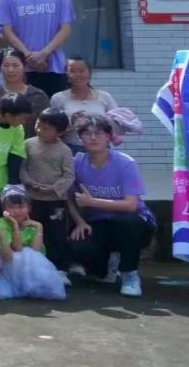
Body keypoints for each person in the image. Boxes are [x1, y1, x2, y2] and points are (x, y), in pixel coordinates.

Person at [67, 113, 156, 297]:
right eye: (87, 133)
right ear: (80, 138)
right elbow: (68, 197)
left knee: (127, 223)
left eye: (98, 133)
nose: (93, 138)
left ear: (108, 136)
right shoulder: (76, 163)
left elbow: (131, 205)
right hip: (100, 222)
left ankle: (130, 273)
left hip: (134, 222)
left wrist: (93, 202)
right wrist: (79, 221)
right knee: (80, 247)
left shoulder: (125, 163)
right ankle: (107, 263)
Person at [0, 0, 74, 96]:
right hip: (21, 68)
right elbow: (6, 30)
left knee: (54, 109)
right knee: (21, 109)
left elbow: (65, 29)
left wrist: (44, 54)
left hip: (54, 66)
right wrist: (27, 56)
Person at [20, 106, 74, 281]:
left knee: (56, 234)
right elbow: (22, 167)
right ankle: (32, 266)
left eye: (47, 128)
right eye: (39, 125)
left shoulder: (64, 150)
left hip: (55, 200)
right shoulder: (28, 144)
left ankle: (59, 269)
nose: (40, 130)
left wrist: (55, 188)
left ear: (60, 131)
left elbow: (69, 175)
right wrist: (29, 182)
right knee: (31, 231)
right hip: (32, 198)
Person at [0, 185, 66, 300]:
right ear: (4, 209)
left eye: (21, 207)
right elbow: (17, 249)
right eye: (11, 207)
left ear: (29, 208)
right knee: (22, 255)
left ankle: (35, 286)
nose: (17, 211)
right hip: (7, 263)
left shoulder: (32, 224)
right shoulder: (0, 224)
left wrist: (39, 227)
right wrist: (15, 227)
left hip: (28, 266)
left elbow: (36, 251)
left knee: (31, 255)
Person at [51, 57, 119, 151]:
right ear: (66, 74)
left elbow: (118, 124)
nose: (77, 75)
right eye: (72, 71)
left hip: (101, 150)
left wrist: (100, 122)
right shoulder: (58, 98)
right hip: (70, 149)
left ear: (89, 73)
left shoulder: (105, 97)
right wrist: (70, 122)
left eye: (81, 71)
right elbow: (52, 129)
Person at [0, 47, 50, 136]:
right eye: (6, 65)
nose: (11, 70)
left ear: (24, 67)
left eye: (15, 65)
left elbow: (46, 126)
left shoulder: (38, 96)